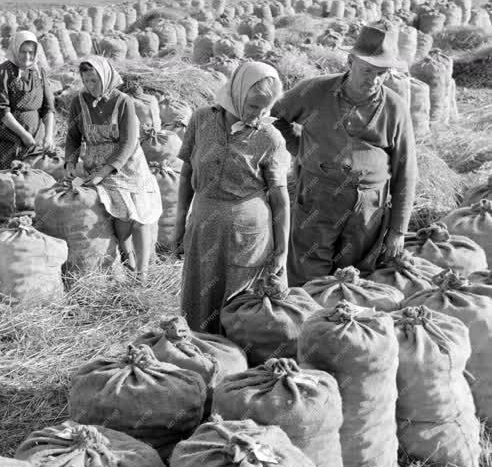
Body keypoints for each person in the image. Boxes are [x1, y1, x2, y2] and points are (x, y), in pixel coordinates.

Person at [271, 23, 418, 287]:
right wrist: (299, 149)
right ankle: (306, 323)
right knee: (307, 276)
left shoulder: (395, 108)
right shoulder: (314, 91)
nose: (373, 79)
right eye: (367, 70)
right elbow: (275, 117)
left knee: (353, 280)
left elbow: (406, 170)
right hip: (318, 197)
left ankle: (342, 323)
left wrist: (398, 230)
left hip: (368, 208)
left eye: (382, 73)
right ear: (350, 61)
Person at [174, 62, 291, 335]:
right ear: (236, 94)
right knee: (200, 302)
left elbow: (280, 197)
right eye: (252, 106)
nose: (258, 114)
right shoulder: (202, 120)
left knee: (239, 309)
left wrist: (282, 252)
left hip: (247, 239)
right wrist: (180, 225)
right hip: (204, 229)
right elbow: (187, 172)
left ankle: (235, 365)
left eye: (266, 108)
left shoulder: (270, 137)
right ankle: (201, 356)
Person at [64, 55, 162, 282]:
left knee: (140, 217)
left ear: (106, 78)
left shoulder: (123, 101)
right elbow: (73, 136)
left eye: (95, 81)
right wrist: (70, 162)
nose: (91, 86)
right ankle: (128, 262)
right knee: (122, 217)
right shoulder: (79, 102)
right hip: (96, 164)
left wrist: (104, 171)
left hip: (127, 164)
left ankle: (143, 273)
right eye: (86, 81)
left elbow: (128, 142)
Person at [0, 30, 55, 171]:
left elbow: (48, 108)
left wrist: (48, 137)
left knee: (30, 180)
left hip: (35, 137)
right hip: (7, 137)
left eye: (31, 52)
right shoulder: (3, 71)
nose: (27, 56)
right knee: (5, 178)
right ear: (15, 49)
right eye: (23, 51)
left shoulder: (39, 72)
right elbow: (1, 110)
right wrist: (24, 135)